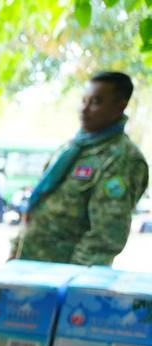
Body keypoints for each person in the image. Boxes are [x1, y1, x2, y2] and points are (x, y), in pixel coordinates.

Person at [15, 71, 149, 266]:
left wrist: (72, 280)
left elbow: (105, 238)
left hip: (62, 274)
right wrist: (16, 251)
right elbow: (39, 204)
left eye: (96, 102)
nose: (84, 109)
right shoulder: (71, 148)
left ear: (120, 106)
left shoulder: (123, 159)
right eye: (84, 101)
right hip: (29, 263)